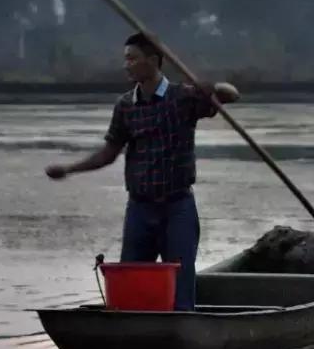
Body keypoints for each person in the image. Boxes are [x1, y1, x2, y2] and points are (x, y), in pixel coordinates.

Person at [45, 32, 239, 310]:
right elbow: (108, 154)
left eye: (133, 59)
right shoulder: (126, 106)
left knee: (181, 287)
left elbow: (232, 95)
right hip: (140, 209)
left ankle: (182, 336)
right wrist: (69, 169)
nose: (127, 65)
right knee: (132, 287)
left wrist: (210, 88)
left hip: (177, 207)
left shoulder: (183, 98)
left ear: (153, 61)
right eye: (126, 60)